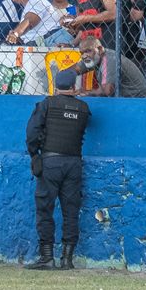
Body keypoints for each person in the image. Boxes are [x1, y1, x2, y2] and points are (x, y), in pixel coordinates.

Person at [25, 63, 92, 271]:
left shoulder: (46, 104)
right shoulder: (83, 108)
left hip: (50, 163)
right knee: (71, 210)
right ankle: (67, 259)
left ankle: (47, 257)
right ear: (74, 87)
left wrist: (34, 155)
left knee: (45, 209)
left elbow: (32, 133)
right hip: (73, 164)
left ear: (55, 87)